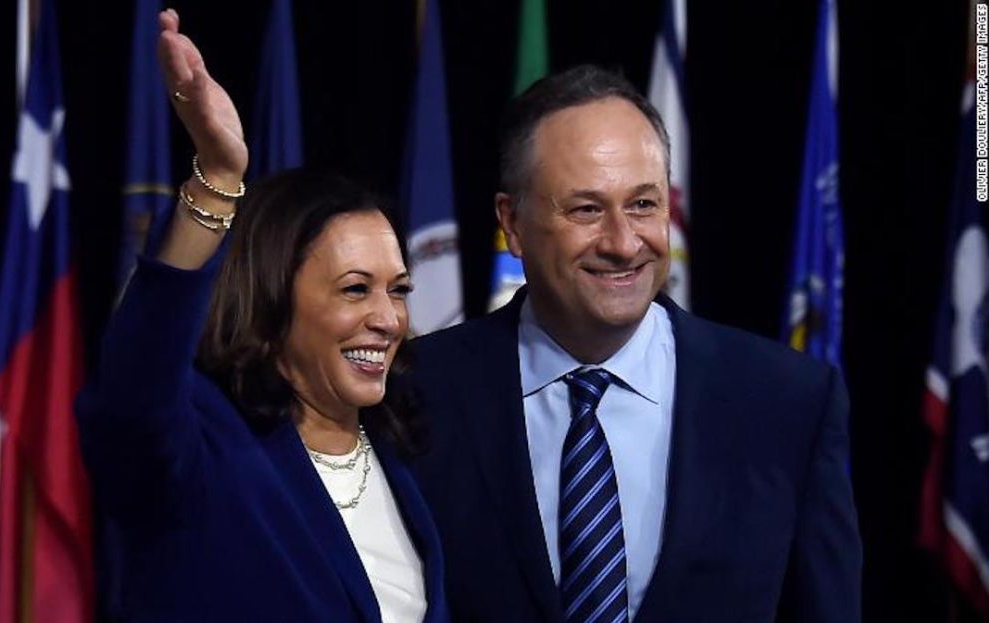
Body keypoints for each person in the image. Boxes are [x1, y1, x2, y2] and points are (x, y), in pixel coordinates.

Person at [409, 65, 862, 622]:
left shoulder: (788, 400)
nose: (624, 244)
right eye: (586, 209)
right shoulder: (415, 392)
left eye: (644, 205)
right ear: (513, 223)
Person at [75, 10, 447, 622]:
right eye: (356, 290)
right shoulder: (204, 452)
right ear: (273, 300)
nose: (388, 318)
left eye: (398, 289)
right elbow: (129, 398)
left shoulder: (402, 452)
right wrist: (217, 180)